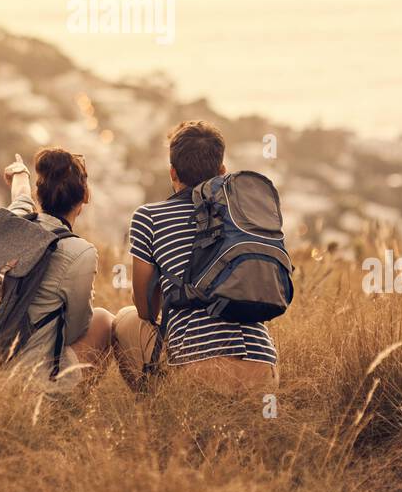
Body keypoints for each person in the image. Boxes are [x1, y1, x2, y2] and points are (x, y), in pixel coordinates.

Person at [112, 120, 279, 392]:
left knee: (124, 319)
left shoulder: (149, 217)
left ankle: (155, 413)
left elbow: (146, 310)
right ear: (223, 171)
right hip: (264, 367)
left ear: (172, 173)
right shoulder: (244, 217)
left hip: (199, 368)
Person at [0, 148, 113, 390]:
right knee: (103, 320)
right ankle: (65, 413)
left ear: (38, 195)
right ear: (85, 196)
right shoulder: (80, 251)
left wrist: (19, 173)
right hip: (24, 386)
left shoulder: (11, 225)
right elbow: (75, 331)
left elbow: (19, 200)